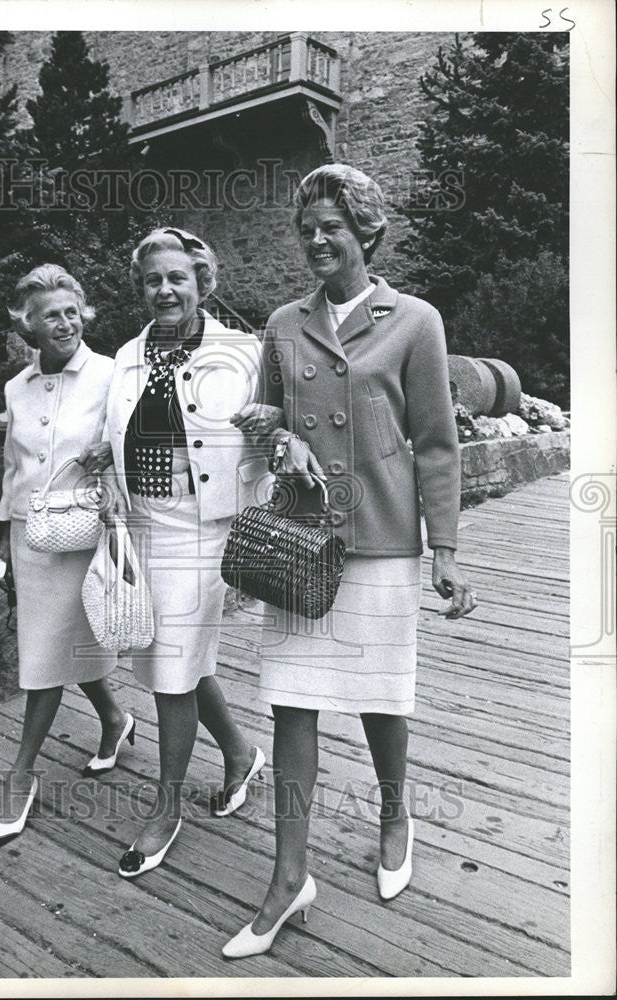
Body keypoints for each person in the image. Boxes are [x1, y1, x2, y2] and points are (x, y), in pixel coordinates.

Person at [224, 164, 477, 958]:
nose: (316, 240)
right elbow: (258, 415)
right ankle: (287, 878)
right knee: (292, 703)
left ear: (366, 231)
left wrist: (449, 548)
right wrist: (278, 436)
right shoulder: (281, 323)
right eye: (307, 229)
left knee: (379, 697)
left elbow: (437, 443)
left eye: (331, 225)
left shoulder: (416, 321)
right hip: (303, 540)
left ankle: (394, 810)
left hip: (383, 539)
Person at [82, 228, 270, 877]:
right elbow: (118, 436)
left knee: (170, 667)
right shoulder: (128, 358)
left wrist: (270, 443)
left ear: (200, 283)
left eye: (177, 278)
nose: (165, 289)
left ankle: (166, 809)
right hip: (146, 525)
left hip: (206, 529)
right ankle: (241, 754)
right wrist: (104, 474)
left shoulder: (242, 353)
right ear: (142, 289)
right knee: (179, 660)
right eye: (153, 280)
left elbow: (280, 434)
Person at [0, 264, 134, 850]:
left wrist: (110, 450)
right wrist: (2, 538)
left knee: (55, 648)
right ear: (29, 326)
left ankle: (20, 773)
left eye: (73, 312)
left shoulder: (109, 373)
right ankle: (116, 721)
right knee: (57, 645)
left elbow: (133, 438)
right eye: (52, 315)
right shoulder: (15, 388)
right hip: (31, 536)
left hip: (86, 531)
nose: (66, 323)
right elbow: (10, 467)